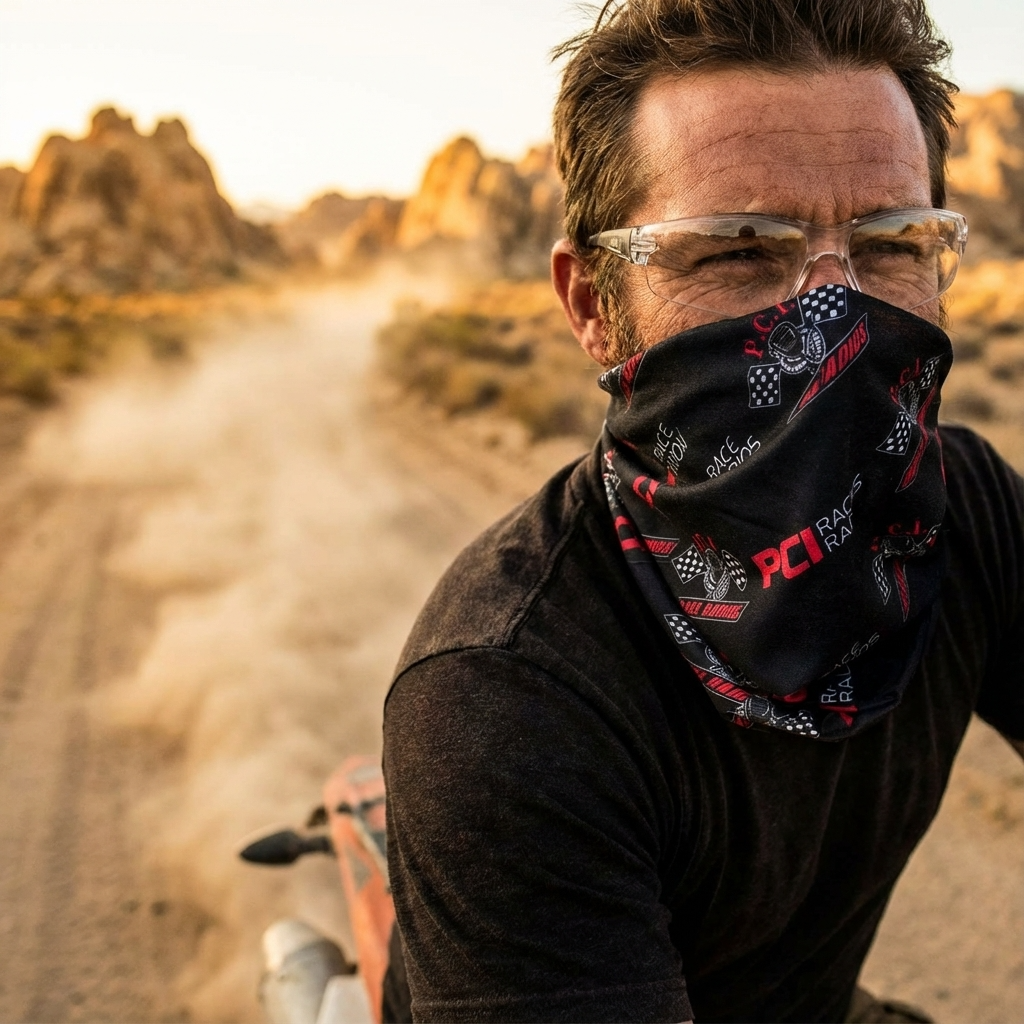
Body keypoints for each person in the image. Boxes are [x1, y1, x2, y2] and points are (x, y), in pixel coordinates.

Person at [382, 1, 1024, 1021]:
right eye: (735, 251)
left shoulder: (968, 513)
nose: (836, 309)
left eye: (894, 241)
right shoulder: (509, 694)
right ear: (592, 305)